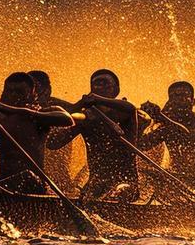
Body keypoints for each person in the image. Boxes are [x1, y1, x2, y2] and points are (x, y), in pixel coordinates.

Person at [0, 72, 74, 193]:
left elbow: (67, 119)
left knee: (26, 176)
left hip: (33, 183)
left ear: (32, 95)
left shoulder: (39, 117)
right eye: (9, 91)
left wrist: (16, 110)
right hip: (4, 182)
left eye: (19, 92)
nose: (12, 96)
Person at [47, 69, 149, 201]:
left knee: (119, 191)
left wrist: (96, 99)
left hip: (126, 184)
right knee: (91, 192)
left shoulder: (124, 113)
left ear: (116, 90)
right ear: (91, 90)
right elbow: (53, 143)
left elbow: (129, 107)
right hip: (96, 184)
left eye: (105, 83)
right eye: (96, 84)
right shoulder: (87, 118)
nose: (101, 86)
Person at [139, 81, 195, 193]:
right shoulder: (167, 128)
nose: (180, 100)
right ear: (169, 102)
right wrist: (141, 122)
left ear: (193, 101)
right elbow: (142, 145)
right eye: (175, 96)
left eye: (185, 96)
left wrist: (161, 116)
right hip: (174, 180)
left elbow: (188, 136)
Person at [28, 70, 78, 193]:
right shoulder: (18, 107)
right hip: (27, 176)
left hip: (58, 179)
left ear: (47, 91)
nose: (31, 94)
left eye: (35, 89)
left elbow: (78, 110)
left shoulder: (60, 109)